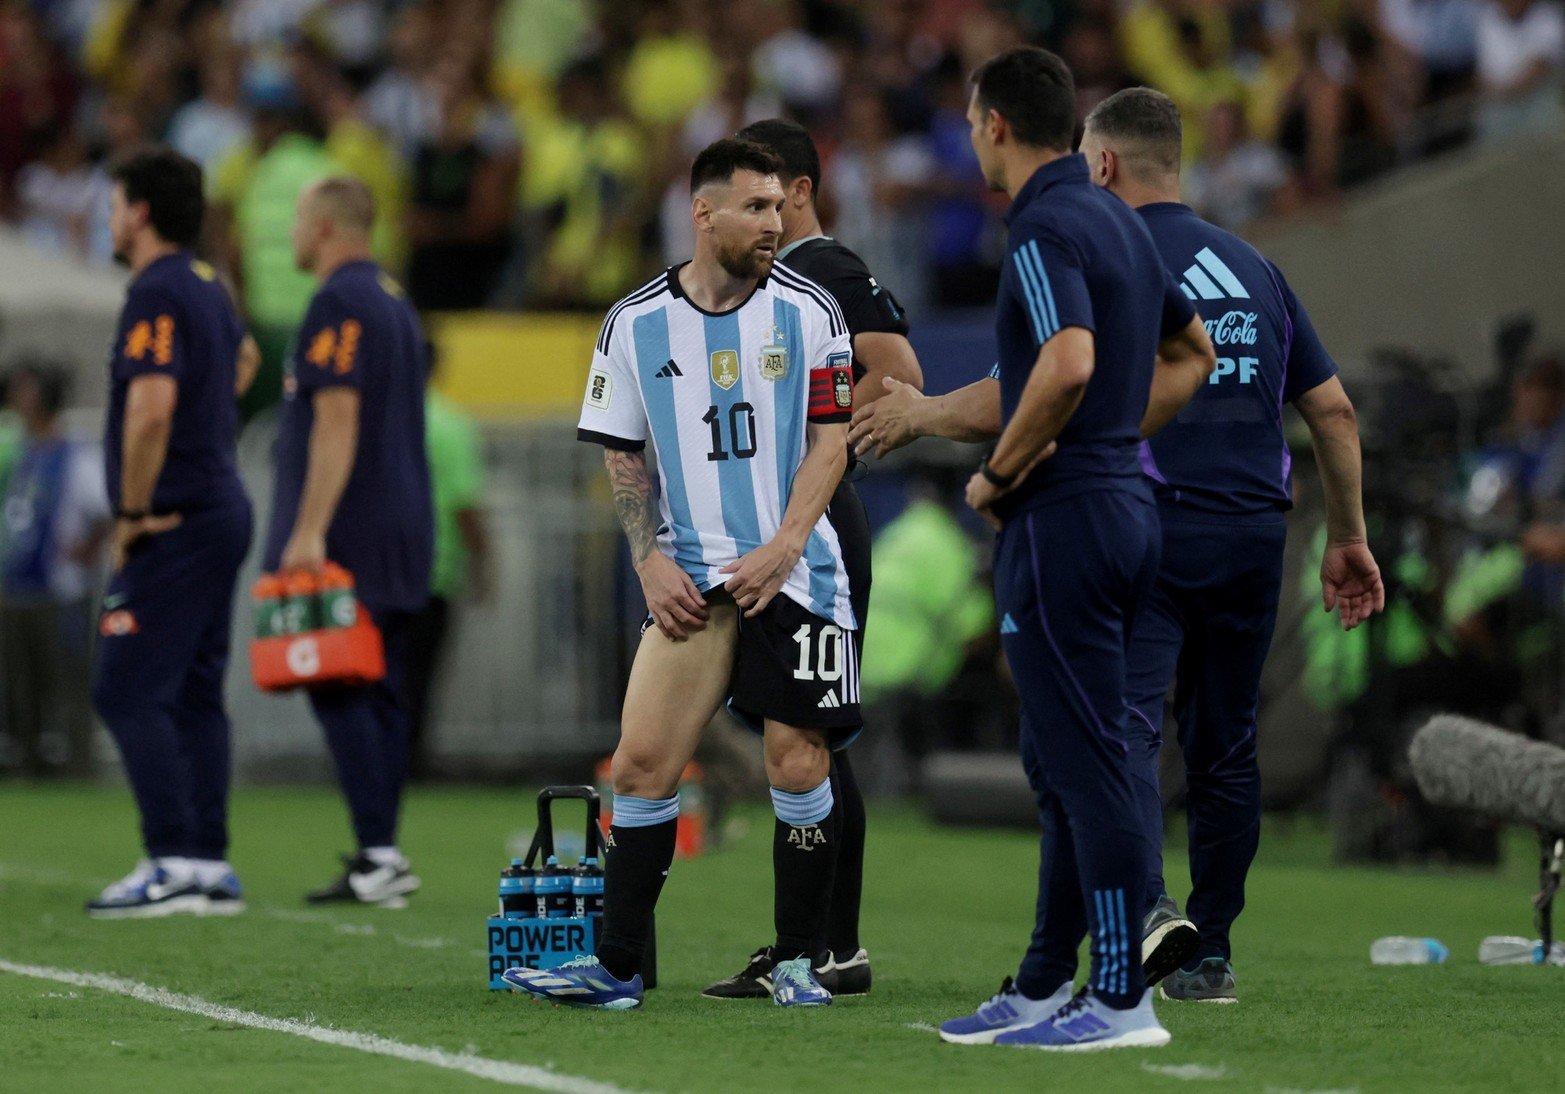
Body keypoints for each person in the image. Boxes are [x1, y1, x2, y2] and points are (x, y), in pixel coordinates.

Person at [854, 48, 1218, 1049]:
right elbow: (1192, 354)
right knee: (1059, 757)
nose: (970, 137)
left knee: (1089, 757)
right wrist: (1102, 435)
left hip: (1061, 517)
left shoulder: (1039, 226)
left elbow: (1063, 361)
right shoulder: (1116, 222)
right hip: (1112, 506)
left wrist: (1002, 473)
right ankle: (1044, 979)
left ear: (994, 124)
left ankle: (1116, 996)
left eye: (971, 122)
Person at [502, 137, 858, 1010]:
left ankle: (800, 961)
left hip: (798, 572)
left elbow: (831, 442)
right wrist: (647, 558)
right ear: (702, 215)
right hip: (691, 576)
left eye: (779, 207)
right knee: (642, 764)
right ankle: (618, 967)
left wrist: (783, 543)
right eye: (756, 208)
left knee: (796, 762)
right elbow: (623, 453)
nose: (775, 223)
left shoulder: (812, 312)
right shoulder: (633, 323)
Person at [1077, 87, 1384, 1002]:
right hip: (1254, 536)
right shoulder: (1255, 268)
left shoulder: (1106, 260)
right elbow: (1330, 409)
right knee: (1225, 747)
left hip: (1148, 529)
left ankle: (1147, 911)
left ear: (1102, 166)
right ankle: (1208, 955)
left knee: (1124, 731)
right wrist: (1347, 538)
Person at [696, 117, 925, 1001]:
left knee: (814, 738)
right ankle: (829, 944)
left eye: (764, 196)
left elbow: (897, 370)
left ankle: (831, 946)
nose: (754, 214)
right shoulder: (772, 283)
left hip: (818, 527)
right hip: (792, 524)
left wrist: (818, 444)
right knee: (812, 740)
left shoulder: (820, 269)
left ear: (797, 192)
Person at [87, 146, 254, 919]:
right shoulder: (207, 284)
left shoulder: (155, 289)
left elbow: (151, 406)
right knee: (192, 692)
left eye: (116, 200)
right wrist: (207, 423)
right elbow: (244, 359)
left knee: (125, 688)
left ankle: (170, 861)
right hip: (217, 502)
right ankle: (207, 862)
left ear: (141, 210)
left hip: (175, 514)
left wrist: (129, 511)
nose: (109, 215)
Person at [265, 176, 434, 905]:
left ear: (327, 226)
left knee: (339, 684)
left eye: (299, 219)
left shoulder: (337, 301)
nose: (292, 235)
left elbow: (337, 417)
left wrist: (306, 529)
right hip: (402, 519)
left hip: (353, 527)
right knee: (383, 691)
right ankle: (381, 851)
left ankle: (377, 851)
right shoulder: (394, 302)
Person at [0, 361, 110, 777]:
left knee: (67, 684)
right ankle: (27, 768)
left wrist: (87, 548)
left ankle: (80, 768)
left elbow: (103, 510)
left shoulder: (75, 453)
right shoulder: (20, 452)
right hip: (16, 588)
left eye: (25, 391)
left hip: (60, 591)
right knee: (20, 690)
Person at [407, 347, 493, 779]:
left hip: (378, 570)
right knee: (419, 675)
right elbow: (465, 505)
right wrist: (483, 565)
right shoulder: (448, 423)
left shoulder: (375, 417)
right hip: (434, 569)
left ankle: (373, 761)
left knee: (377, 674)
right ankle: (411, 763)